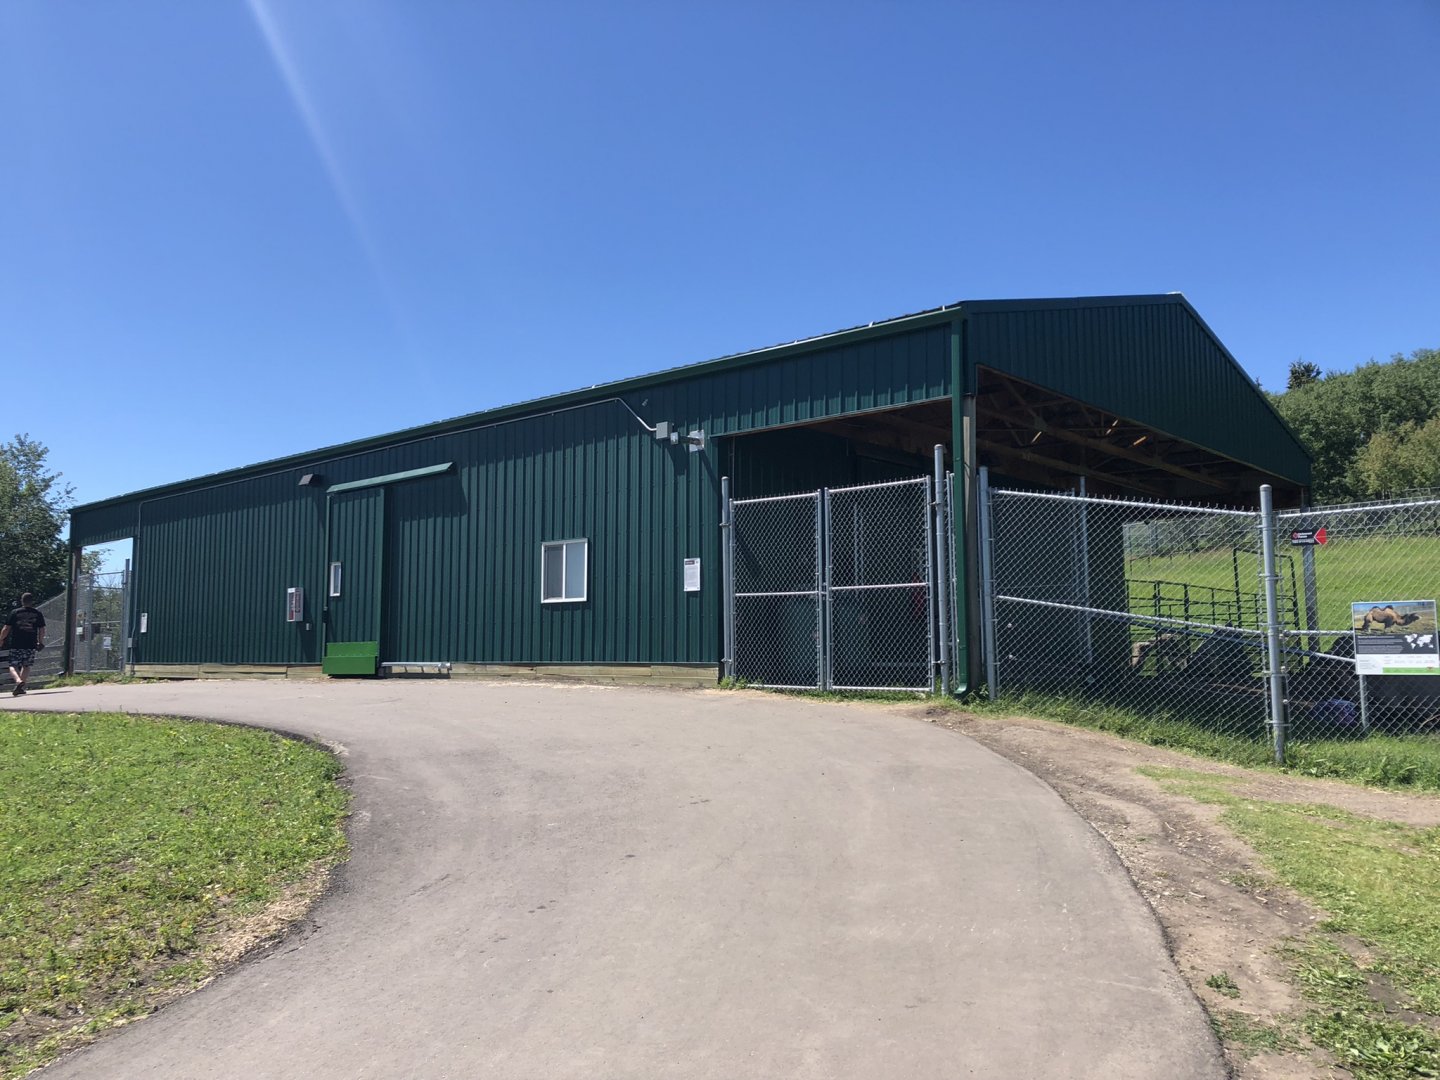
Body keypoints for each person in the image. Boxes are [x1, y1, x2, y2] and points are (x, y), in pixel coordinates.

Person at [1, 593, 47, 696]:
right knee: (26, 665)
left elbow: (6, 628)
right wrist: (40, 641)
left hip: (16, 643)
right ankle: (20, 687)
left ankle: (18, 681)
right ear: (32, 601)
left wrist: (1, 639)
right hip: (30, 643)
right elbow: (42, 629)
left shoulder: (15, 612)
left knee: (13, 665)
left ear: (22, 601)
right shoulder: (37, 613)